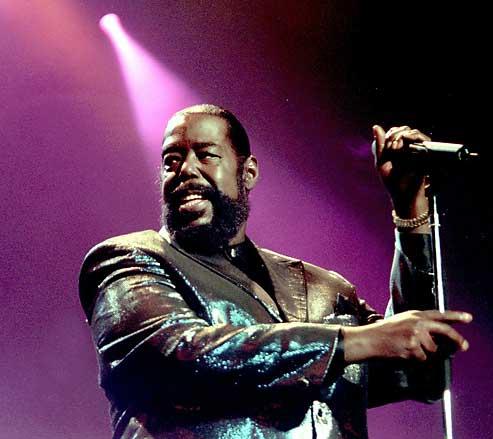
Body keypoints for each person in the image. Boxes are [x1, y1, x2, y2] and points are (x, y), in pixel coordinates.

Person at [79, 104, 471, 439]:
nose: (185, 169)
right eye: (171, 160)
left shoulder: (321, 287)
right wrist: (350, 341)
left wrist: (410, 213)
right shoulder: (129, 261)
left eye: (206, 154)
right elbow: (179, 355)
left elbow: (417, 372)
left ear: (247, 172)